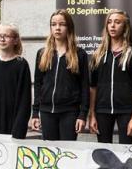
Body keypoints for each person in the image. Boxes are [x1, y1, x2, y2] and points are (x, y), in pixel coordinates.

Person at [29, 10, 90, 140]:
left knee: (68, 152)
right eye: (53, 24)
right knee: (50, 154)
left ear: (69, 27)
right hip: (46, 112)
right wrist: (35, 113)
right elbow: (38, 84)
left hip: (70, 112)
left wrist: (82, 115)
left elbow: (85, 87)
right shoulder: (42, 53)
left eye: (62, 24)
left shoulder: (79, 54)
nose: (57, 28)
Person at [88, 9, 132, 144]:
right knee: (104, 151)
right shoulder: (98, 55)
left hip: (126, 111)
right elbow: (93, 87)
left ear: (125, 27)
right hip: (102, 110)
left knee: (126, 150)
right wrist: (92, 115)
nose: (112, 25)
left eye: (117, 22)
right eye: (109, 22)